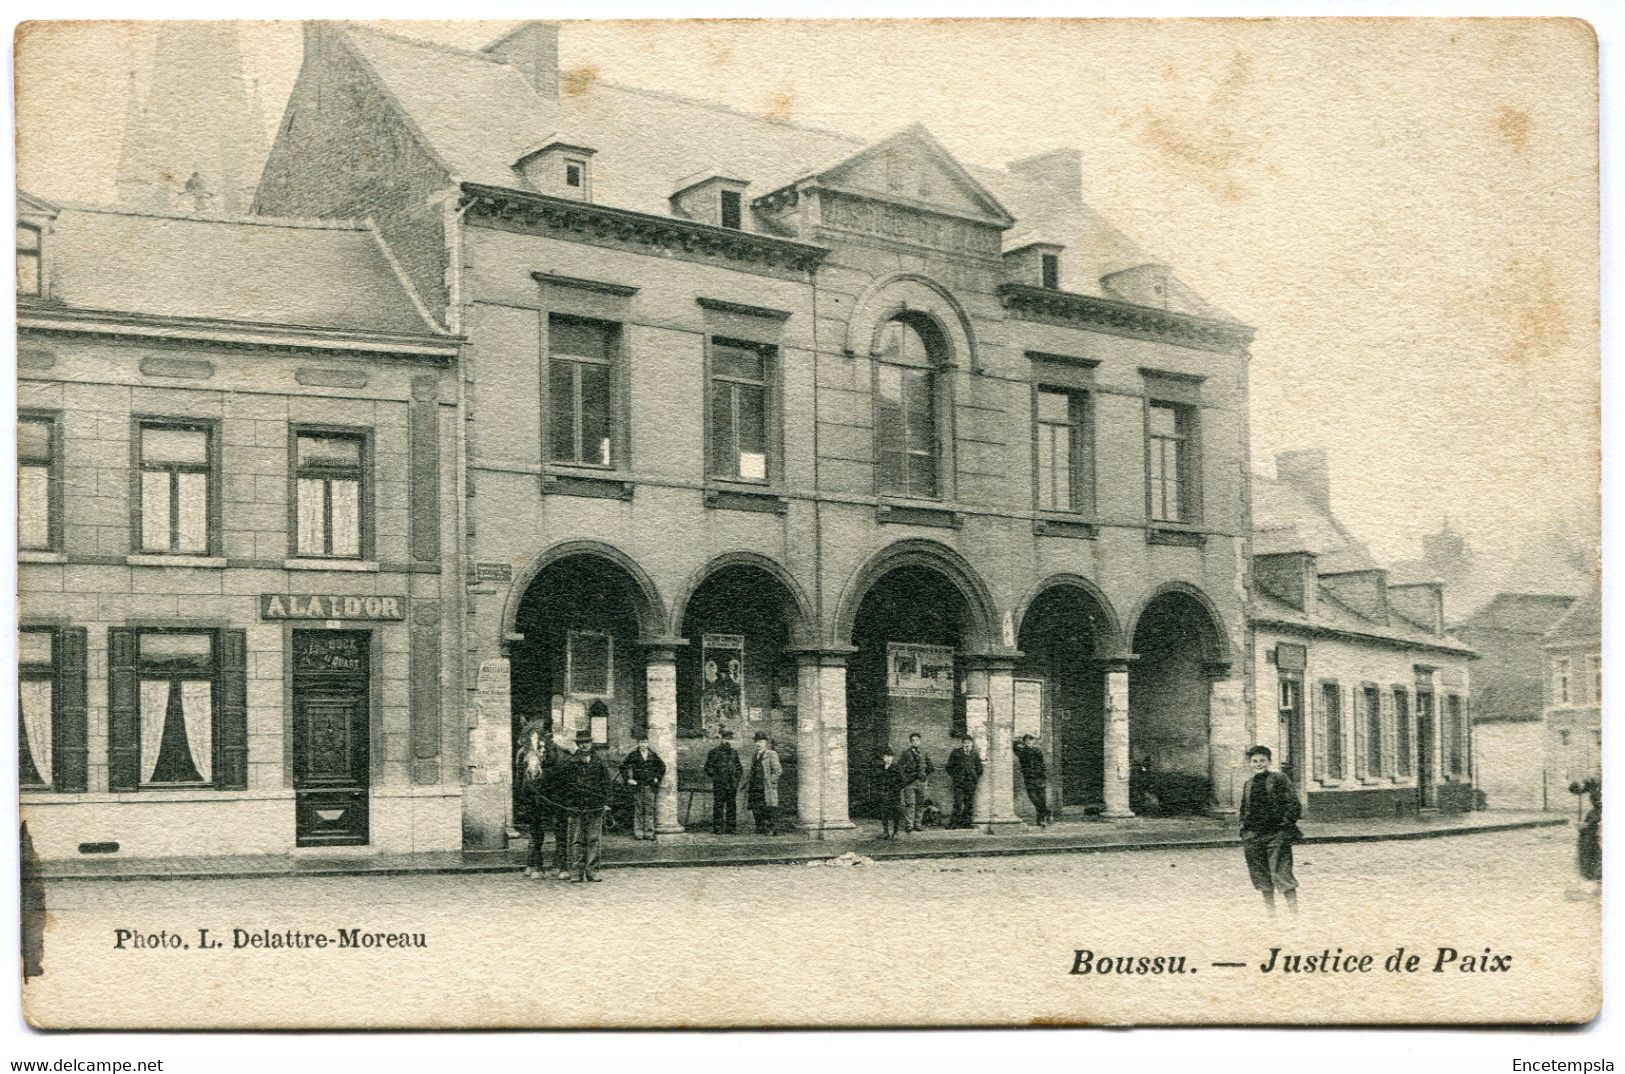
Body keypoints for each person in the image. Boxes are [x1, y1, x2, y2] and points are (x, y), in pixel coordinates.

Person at [1239, 745, 1302, 915]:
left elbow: (1293, 804)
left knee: (1282, 874)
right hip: (1253, 836)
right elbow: (1244, 809)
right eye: (1254, 761)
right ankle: (1271, 915)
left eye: (1262, 760)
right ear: (1249, 763)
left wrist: (1285, 826)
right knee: (1261, 876)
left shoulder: (1279, 779)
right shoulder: (1248, 784)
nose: (1258, 764)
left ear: (1269, 762)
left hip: (1276, 834)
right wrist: (1244, 830)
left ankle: (1294, 914)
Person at [561, 728, 613, 882]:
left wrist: (607, 803)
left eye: (587, 742)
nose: (585, 746)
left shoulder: (599, 761)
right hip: (576, 807)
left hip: (595, 806)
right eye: (582, 743)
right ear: (578, 744)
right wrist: (568, 802)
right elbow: (564, 784)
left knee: (593, 839)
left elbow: (607, 784)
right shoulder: (571, 762)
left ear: (591, 743)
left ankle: (592, 871)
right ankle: (576, 872)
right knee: (576, 840)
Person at [514, 717, 559, 877]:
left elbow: (554, 765)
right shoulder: (525, 747)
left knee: (557, 826)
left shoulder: (549, 745)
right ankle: (534, 863)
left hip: (549, 790)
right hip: (532, 792)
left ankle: (558, 863)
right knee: (535, 828)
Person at [619, 732, 667, 841]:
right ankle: (639, 832)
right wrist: (628, 779)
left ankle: (649, 832)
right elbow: (622, 767)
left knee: (649, 809)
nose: (643, 744)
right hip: (638, 785)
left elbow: (662, 767)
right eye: (641, 742)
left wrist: (657, 777)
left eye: (645, 742)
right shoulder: (633, 755)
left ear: (648, 743)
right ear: (638, 743)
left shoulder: (653, 755)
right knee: (639, 809)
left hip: (650, 786)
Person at [704, 728, 744, 834]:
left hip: (731, 784)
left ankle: (731, 828)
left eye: (730, 739)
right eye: (726, 739)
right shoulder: (714, 752)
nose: (728, 741)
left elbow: (739, 768)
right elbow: (708, 768)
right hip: (720, 784)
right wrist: (716, 777)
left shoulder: (734, 753)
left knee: (731, 805)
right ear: (721, 739)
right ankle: (718, 827)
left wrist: (736, 779)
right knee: (718, 805)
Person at [897, 732, 935, 832]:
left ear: (920, 741)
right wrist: (904, 778)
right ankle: (909, 825)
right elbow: (899, 767)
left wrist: (924, 776)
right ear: (910, 742)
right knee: (910, 804)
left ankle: (918, 824)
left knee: (920, 803)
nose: (915, 742)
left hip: (921, 782)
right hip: (909, 782)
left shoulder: (924, 753)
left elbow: (931, 767)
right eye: (913, 740)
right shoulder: (906, 753)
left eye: (917, 740)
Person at [747, 731, 782, 835]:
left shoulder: (771, 754)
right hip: (755, 785)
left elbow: (778, 770)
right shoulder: (755, 755)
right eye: (756, 741)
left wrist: (772, 782)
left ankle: (771, 829)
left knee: (768, 808)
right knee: (756, 807)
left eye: (761, 741)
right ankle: (760, 827)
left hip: (766, 786)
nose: (758, 744)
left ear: (765, 742)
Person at [946, 732, 983, 829]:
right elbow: (949, 767)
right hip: (959, 782)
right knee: (958, 803)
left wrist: (974, 776)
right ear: (962, 744)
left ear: (972, 744)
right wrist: (956, 776)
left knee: (969, 803)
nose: (967, 744)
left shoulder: (975, 754)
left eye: (969, 743)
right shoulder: (956, 752)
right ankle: (954, 823)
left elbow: (979, 768)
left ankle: (966, 823)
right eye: (965, 743)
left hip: (970, 782)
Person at [1014, 734, 1050, 827]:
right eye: (1027, 740)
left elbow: (1042, 764)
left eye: (1031, 740)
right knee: (1033, 797)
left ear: (1034, 741)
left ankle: (1040, 820)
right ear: (1024, 741)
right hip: (1029, 778)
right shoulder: (1021, 750)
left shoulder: (1037, 751)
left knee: (1042, 799)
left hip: (1039, 777)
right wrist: (1021, 744)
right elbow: (1015, 744)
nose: (1029, 741)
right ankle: (1046, 811)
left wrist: (1044, 777)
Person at [876, 748, 906, 839]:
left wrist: (894, 790)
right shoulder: (881, 768)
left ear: (892, 757)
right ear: (883, 757)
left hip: (894, 795)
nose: (888, 758)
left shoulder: (897, 767)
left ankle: (895, 833)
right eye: (885, 756)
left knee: (895, 814)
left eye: (890, 756)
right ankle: (886, 832)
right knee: (884, 813)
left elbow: (902, 782)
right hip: (884, 794)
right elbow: (878, 781)